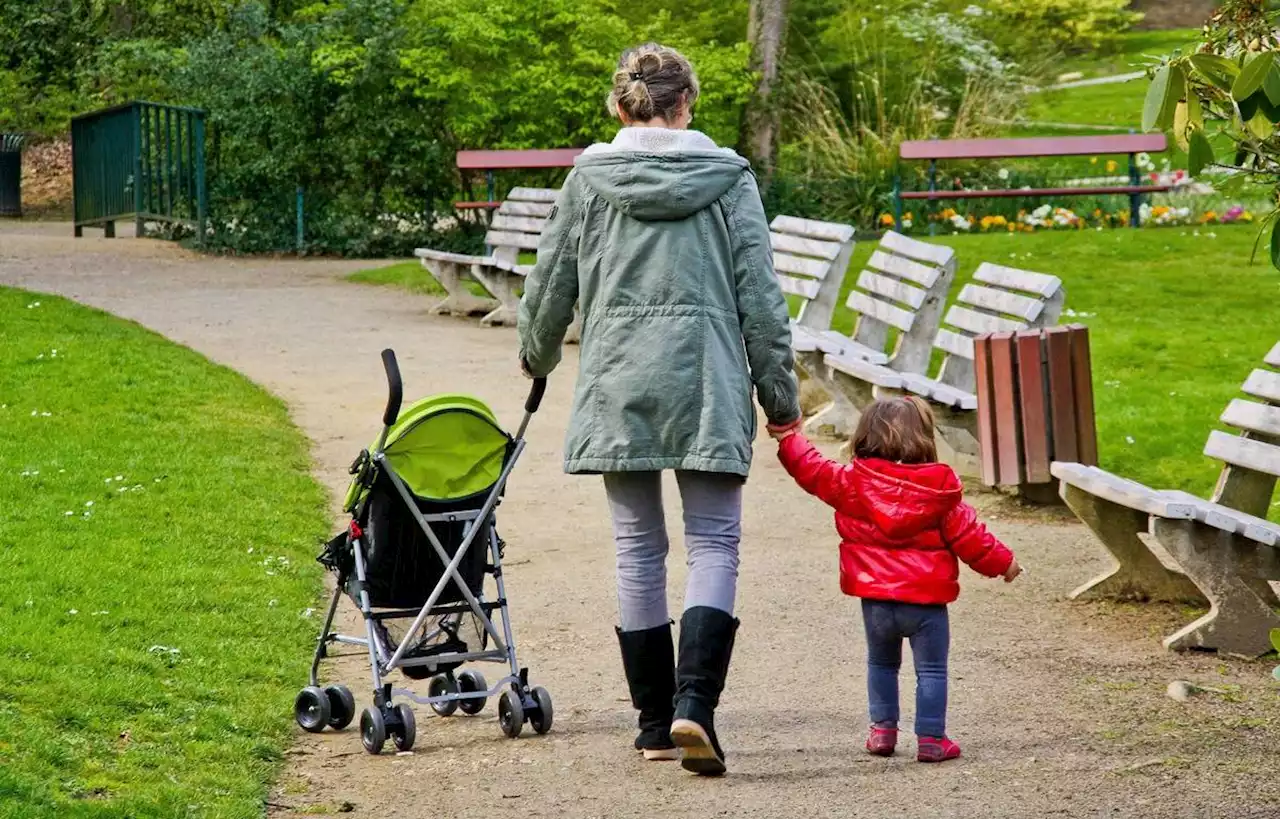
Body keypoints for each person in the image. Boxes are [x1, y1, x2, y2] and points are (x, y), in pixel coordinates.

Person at [516, 42, 800, 777]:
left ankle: (650, 722)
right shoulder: (728, 178)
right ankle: (694, 706)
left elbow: (551, 283)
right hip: (706, 380)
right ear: (688, 106)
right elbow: (761, 298)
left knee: (638, 547)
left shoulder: (589, 178)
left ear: (620, 107)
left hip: (619, 381)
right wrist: (780, 398)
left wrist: (537, 356)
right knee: (715, 544)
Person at [768, 396, 1021, 762]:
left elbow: (813, 470)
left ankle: (883, 732)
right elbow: (973, 539)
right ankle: (932, 739)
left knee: (881, 664)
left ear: (865, 436)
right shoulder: (940, 493)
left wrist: (789, 437)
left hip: (876, 600)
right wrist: (1005, 564)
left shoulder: (852, 484)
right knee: (931, 670)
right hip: (928, 605)